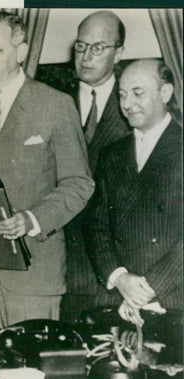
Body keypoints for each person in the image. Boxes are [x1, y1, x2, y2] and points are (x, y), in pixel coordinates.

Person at [0, 12, 94, 328]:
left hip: (34, 275)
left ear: (21, 52)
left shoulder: (55, 104)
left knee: (31, 374)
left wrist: (32, 219)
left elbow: (79, 183)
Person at [86, 59, 182, 326]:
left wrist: (149, 288)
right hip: (117, 300)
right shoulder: (112, 154)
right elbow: (96, 225)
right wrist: (119, 277)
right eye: (122, 94)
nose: (126, 104)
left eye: (137, 93)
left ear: (165, 93)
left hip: (172, 301)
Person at [61, 11, 132, 323]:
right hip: (60, 269)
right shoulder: (52, 99)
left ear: (119, 52)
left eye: (98, 48)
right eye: (80, 46)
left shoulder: (136, 105)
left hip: (116, 271)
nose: (86, 57)